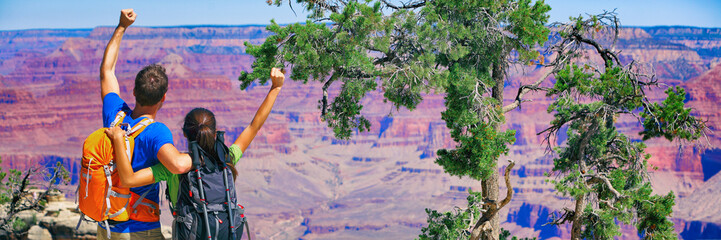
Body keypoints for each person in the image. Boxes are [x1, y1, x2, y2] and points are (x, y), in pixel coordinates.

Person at [105, 67, 285, 211]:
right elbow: (254, 126)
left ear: (185, 133)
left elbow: (129, 179)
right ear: (214, 133)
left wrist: (119, 140)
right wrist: (275, 88)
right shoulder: (225, 158)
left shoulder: (173, 168)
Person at [98, 9, 192, 240]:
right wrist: (207, 154)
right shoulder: (156, 132)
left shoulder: (115, 114)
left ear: (133, 92)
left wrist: (121, 27)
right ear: (163, 98)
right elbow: (178, 165)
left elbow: (107, 70)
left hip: (107, 227)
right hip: (140, 230)